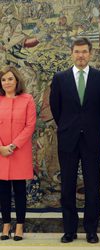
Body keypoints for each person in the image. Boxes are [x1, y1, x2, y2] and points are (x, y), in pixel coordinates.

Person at [49, 38, 100, 244]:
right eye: (77, 52)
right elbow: (56, 109)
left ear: (90, 53)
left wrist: (92, 127)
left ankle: (91, 230)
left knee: (93, 185)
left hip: (92, 138)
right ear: (72, 53)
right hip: (68, 139)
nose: (81, 55)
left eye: (84, 51)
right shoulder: (60, 78)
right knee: (68, 185)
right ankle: (70, 230)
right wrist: (69, 127)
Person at [0, 66, 36, 241]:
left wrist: (13, 146)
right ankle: (6, 224)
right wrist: (1, 148)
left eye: (10, 79)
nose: (7, 82)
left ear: (17, 81)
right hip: (0, 153)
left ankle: (20, 225)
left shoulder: (27, 99)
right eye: (4, 79)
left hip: (19, 152)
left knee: (20, 189)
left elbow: (30, 126)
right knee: (3, 190)